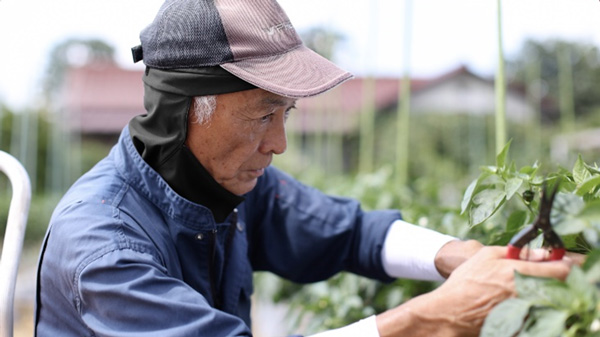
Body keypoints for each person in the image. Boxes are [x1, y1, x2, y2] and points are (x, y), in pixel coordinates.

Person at [34, 0, 573, 336]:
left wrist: (469, 258)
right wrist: (433, 317)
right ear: (187, 113)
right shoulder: (103, 246)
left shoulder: (224, 182)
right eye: (263, 115)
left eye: (285, 112)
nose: (279, 143)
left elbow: (348, 231)